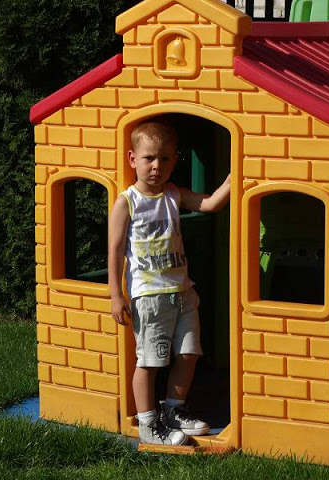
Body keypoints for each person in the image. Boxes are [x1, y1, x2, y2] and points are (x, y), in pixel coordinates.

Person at [108, 118, 231, 445]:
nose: (156, 166)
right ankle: (148, 424)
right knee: (149, 361)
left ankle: (173, 410)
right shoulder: (127, 202)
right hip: (149, 296)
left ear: (175, 161)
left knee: (189, 354)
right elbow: (115, 250)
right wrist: (116, 295)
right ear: (133, 159)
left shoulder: (173, 194)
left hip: (183, 292)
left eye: (164, 159)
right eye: (149, 158)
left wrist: (236, 178)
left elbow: (210, 204)